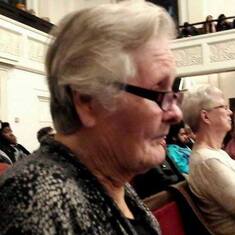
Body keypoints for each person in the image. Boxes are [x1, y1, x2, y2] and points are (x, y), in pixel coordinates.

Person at [0, 2, 183, 234]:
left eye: (173, 94)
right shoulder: (35, 199)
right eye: (158, 92)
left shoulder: (114, 183)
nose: (176, 113)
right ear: (88, 101)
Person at [182, 85, 234, 235]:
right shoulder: (207, 161)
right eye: (224, 107)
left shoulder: (217, 154)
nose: (230, 112)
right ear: (205, 117)